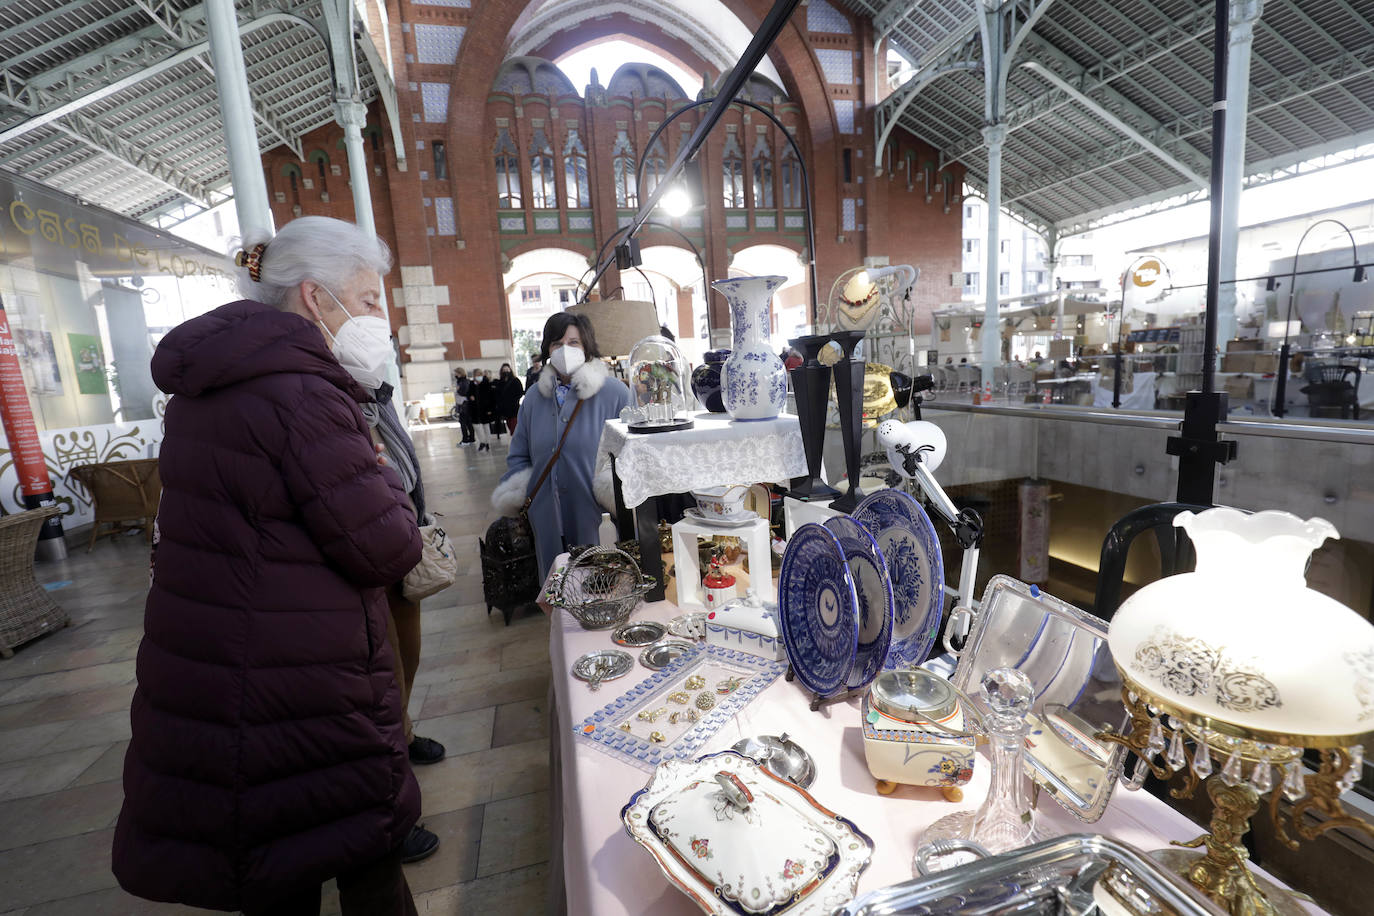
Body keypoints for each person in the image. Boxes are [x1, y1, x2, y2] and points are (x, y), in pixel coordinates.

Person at [113, 216, 425, 915]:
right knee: (361, 859)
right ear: (317, 298)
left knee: (275, 868)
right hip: (301, 686)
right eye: (371, 300)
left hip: (228, 672)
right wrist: (386, 488)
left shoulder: (215, 384)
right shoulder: (304, 393)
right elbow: (386, 547)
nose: (381, 318)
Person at [492, 313, 631, 578]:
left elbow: (633, 455)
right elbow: (519, 455)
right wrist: (528, 498)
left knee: (602, 591)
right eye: (557, 344)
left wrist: (611, 494)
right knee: (559, 593)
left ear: (587, 346)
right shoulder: (533, 398)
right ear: (547, 349)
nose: (565, 350)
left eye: (574, 342)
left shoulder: (615, 394)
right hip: (546, 518)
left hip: (597, 519)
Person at [496, 362, 524, 434]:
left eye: (507, 369)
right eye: (504, 370)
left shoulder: (515, 380)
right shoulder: (500, 382)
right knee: (509, 425)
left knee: (514, 427)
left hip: (514, 407)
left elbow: (520, 392)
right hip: (505, 409)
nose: (506, 371)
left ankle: (516, 441)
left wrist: (514, 400)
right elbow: (498, 394)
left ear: (510, 370)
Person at [453, 367, 475, 445]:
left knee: (463, 422)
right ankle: (471, 438)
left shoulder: (463, 381)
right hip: (463, 404)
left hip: (464, 404)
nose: (454, 374)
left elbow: (465, 392)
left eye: (456, 373)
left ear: (459, 373)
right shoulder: (461, 381)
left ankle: (465, 439)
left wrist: (458, 390)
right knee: (468, 422)